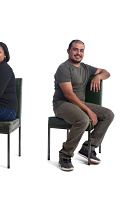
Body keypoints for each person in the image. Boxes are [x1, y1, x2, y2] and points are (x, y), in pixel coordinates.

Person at [53, 40, 114, 172]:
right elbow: (68, 95)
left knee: (108, 114)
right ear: (68, 51)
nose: (78, 53)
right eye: (75, 49)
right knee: (83, 119)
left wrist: (98, 77)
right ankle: (65, 155)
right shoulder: (63, 68)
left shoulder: (85, 68)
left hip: (80, 104)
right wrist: (88, 111)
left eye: (81, 50)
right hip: (63, 104)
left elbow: (106, 72)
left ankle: (88, 148)